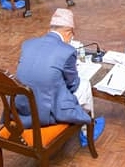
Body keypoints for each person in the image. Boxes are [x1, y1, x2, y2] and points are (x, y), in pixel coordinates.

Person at [15, 8, 105, 147]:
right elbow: (73, 85)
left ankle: (86, 126)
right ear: (68, 32)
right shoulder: (67, 51)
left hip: (22, 107)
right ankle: (87, 130)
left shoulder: (28, 44)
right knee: (84, 85)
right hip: (45, 112)